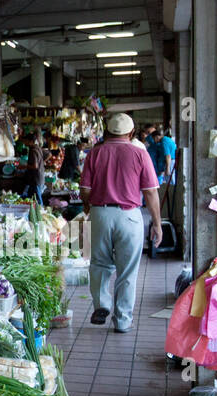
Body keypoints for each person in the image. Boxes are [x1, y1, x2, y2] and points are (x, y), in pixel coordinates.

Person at [79, 112, 162, 333]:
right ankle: (123, 321)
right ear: (131, 133)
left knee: (99, 264)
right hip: (130, 215)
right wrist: (157, 223)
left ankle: (102, 305)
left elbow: (85, 190)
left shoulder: (94, 154)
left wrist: (89, 208)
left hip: (101, 213)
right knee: (127, 271)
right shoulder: (140, 154)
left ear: (107, 131)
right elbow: (151, 193)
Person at [22, 130, 45, 204]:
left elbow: (35, 166)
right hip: (38, 177)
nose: (25, 143)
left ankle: (41, 212)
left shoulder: (33, 150)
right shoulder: (38, 148)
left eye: (26, 141)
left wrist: (24, 166)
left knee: (38, 199)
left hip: (35, 179)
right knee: (34, 198)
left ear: (31, 141)